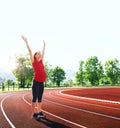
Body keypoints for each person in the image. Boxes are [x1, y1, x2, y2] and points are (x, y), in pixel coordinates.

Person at [21, 35, 46, 119]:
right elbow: (30, 51)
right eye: (38, 53)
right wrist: (26, 41)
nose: (39, 53)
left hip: (42, 82)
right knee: (34, 98)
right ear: (35, 55)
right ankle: (33, 113)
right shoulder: (33, 61)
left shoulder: (41, 61)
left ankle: (39, 112)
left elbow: (43, 53)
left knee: (40, 98)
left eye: (40, 53)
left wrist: (44, 46)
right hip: (36, 82)